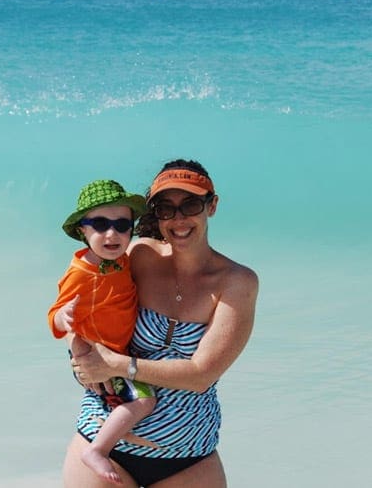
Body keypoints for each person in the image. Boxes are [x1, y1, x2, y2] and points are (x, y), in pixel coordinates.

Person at [60, 159, 259, 487]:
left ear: (212, 206)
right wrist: (79, 355)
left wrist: (116, 364)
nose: (178, 218)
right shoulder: (139, 256)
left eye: (191, 204)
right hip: (103, 443)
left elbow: (201, 375)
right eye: (166, 208)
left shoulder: (237, 282)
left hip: (187, 456)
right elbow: (81, 302)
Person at [48, 179, 157, 485]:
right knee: (145, 401)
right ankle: (98, 449)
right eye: (100, 224)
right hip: (101, 356)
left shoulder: (120, 260)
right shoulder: (80, 273)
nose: (112, 234)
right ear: (83, 231)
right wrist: (64, 319)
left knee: (120, 398)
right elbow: (53, 314)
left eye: (122, 224)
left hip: (117, 352)